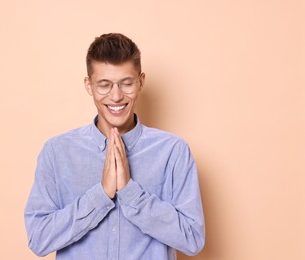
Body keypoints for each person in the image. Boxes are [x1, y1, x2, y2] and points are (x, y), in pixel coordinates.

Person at [24, 33, 205, 259]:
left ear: (141, 82)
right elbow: (39, 239)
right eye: (104, 85)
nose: (116, 96)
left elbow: (192, 239)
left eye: (126, 83)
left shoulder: (173, 152)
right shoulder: (57, 152)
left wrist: (130, 193)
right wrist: (100, 195)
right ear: (89, 85)